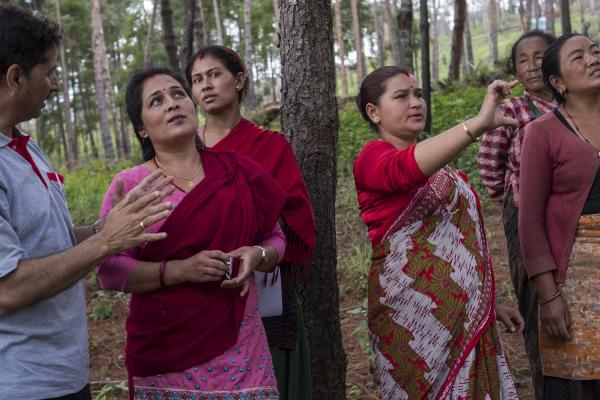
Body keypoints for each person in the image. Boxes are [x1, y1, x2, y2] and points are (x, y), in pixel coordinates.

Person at [0, 5, 174, 400]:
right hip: (20, 384)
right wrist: (105, 242)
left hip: (61, 372)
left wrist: (103, 228)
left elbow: (45, 241)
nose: (57, 84)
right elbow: (7, 289)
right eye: (49, 73)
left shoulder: (23, 146)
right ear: (15, 77)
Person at [97, 67, 288, 400]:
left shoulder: (239, 171)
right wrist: (178, 270)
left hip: (243, 346)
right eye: (157, 101)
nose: (172, 104)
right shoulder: (131, 186)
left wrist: (256, 255)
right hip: (165, 353)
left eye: (178, 94)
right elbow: (109, 271)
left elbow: (276, 237)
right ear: (142, 129)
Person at [353, 66, 525, 399]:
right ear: (373, 111)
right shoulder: (372, 158)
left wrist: (491, 302)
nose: (415, 102)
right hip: (412, 321)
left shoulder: (449, 171)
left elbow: (465, 242)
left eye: (417, 94)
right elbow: (404, 171)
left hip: (468, 317)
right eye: (401, 96)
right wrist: (476, 124)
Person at [185, 45, 316, 400]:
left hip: (263, 289)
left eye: (214, 74)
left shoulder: (270, 146)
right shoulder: (185, 150)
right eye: (197, 80)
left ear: (239, 80)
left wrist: (253, 241)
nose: (205, 86)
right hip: (194, 291)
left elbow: (297, 219)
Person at [519, 33, 600, 399]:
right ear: (558, 82)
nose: (593, 59)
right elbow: (530, 221)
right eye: (578, 57)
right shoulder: (542, 133)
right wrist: (549, 296)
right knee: (581, 381)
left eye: (595, 51)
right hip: (576, 279)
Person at [477, 30, 556, 400]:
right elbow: (489, 165)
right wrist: (510, 199)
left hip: (575, 215)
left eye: (540, 55)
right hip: (525, 213)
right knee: (537, 296)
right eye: (523, 60)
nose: (532, 65)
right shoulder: (511, 110)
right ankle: (546, 383)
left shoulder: (576, 104)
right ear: (515, 71)